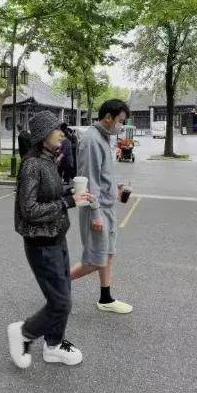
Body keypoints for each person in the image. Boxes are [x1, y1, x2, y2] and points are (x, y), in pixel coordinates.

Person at [8, 111, 92, 369]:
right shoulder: (32, 165)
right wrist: (67, 202)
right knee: (61, 303)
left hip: (56, 238)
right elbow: (29, 210)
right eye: (57, 129)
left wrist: (72, 193)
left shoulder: (48, 161)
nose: (62, 134)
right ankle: (23, 333)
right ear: (43, 135)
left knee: (63, 296)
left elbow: (49, 195)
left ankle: (53, 346)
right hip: (41, 244)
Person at [71, 99, 133, 314]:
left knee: (108, 253)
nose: (121, 126)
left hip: (106, 206)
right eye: (120, 121)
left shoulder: (103, 138)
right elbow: (88, 181)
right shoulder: (91, 140)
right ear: (108, 117)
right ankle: (57, 283)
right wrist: (95, 214)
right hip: (96, 209)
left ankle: (106, 299)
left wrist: (116, 187)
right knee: (95, 260)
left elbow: (102, 175)